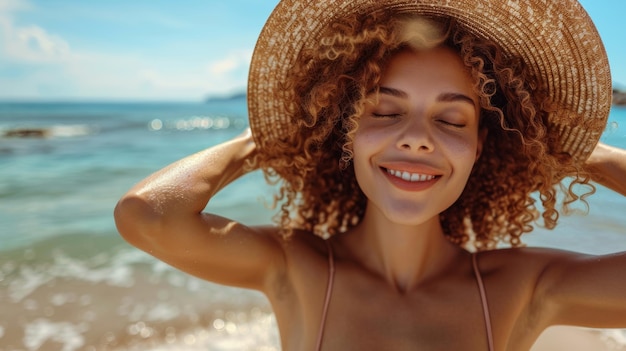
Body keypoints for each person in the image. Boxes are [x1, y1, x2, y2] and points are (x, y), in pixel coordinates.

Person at [114, 0, 626, 349]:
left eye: (451, 120)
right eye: (384, 112)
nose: (416, 137)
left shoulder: (523, 286)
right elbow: (148, 215)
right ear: (345, 132)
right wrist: (278, 136)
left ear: (478, 146)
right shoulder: (299, 267)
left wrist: (564, 147)